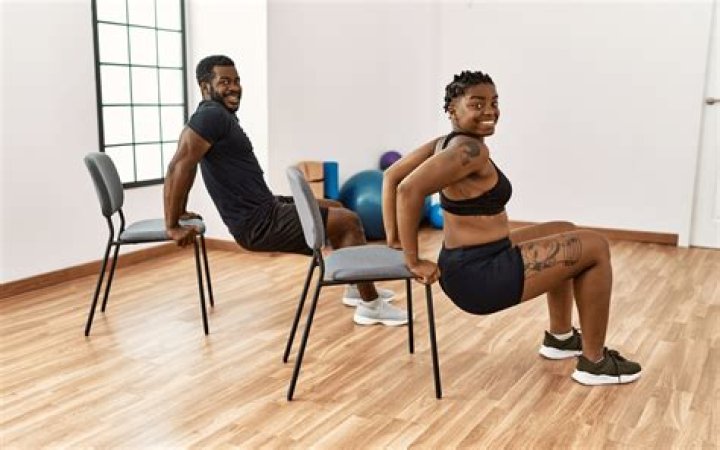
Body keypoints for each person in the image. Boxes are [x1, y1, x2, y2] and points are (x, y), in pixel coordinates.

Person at [382, 70, 641, 385]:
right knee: (596, 247)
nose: (489, 111)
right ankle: (595, 362)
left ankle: (560, 338)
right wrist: (412, 259)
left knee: (565, 230)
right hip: (479, 277)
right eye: (477, 104)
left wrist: (394, 239)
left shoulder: (444, 144)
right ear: (452, 109)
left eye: (494, 102)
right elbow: (408, 189)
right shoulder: (471, 151)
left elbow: (391, 176)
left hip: (474, 260)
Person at [163, 55, 407, 326]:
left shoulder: (219, 116)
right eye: (224, 82)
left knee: (336, 208)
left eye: (237, 81)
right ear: (204, 86)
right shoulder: (210, 116)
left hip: (266, 206)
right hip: (258, 222)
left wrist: (181, 211)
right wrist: (172, 224)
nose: (234, 88)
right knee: (347, 222)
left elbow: (188, 165)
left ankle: (356, 286)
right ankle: (371, 306)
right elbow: (179, 166)